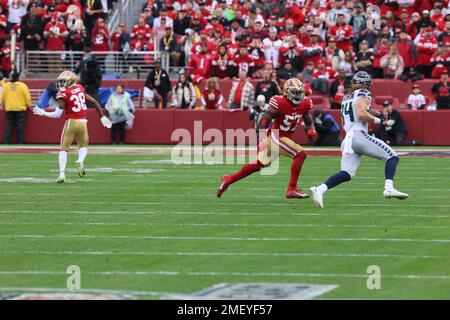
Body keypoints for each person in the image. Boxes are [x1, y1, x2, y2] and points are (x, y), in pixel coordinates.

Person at [310, 71, 408, 209]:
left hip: (348, 139)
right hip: (358, 135)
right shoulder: (364, 92)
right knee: (392, 157)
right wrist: (378, 120)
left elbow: (360, 108)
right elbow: (361, 113)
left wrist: (373, 111)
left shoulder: (346, 96)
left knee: (346, 173)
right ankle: (389, 188)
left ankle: (319, 189)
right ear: (368, 84)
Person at [217, 78, 317, 199]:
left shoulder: (305, 103)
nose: (299, 95)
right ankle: (291, 189)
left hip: (283, 138)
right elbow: (263, 122)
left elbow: (308, 120)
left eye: (300, 92)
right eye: (295, 92)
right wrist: (262, 140)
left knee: (259, 164)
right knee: (300, 154)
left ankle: (229, 179)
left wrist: (311, 130)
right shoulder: (278, 102)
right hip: (276, 136)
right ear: (287, 92)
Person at [32, 70, 112, 183]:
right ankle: (80, 160)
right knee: (83, 146)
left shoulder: (63, 94)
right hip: (83, 122)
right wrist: (102, 117)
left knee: (63, 149)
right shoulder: (80, 88)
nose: (61, 84)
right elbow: (94, 102)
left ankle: (62, 174)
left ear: (71, 81)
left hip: (71, 123)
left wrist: (43, 112)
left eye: (64, 81)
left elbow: (57, 114)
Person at [1, 72, 31, 144]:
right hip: (20, 109)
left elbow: (2, 98)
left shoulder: (6, 86)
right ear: (18, 78)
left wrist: (4, 105)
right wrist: (29, 106)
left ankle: (6, 140)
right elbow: (27, 98)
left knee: (9, 125)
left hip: (10, 108)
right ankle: (21, 141)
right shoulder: (23, 86)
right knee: (20, 126)